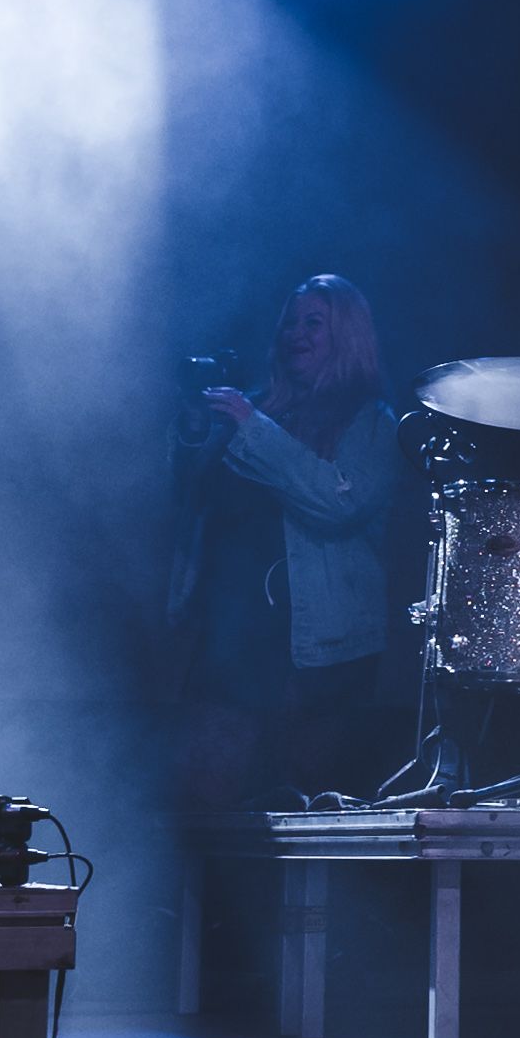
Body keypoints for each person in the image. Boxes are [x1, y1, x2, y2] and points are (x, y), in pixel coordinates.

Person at [181, 272, 405, 805]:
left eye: (314, 323)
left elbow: (338, 503)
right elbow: (188, 493)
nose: (295, 333)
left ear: (346, 335)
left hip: (318, 650)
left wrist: (251, 425)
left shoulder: (371, 421)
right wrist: (193, 429)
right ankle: (210, 892)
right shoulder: (257, 408)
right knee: (210, 800)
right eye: (290, 322)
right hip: (230, 638)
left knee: (311, 807)